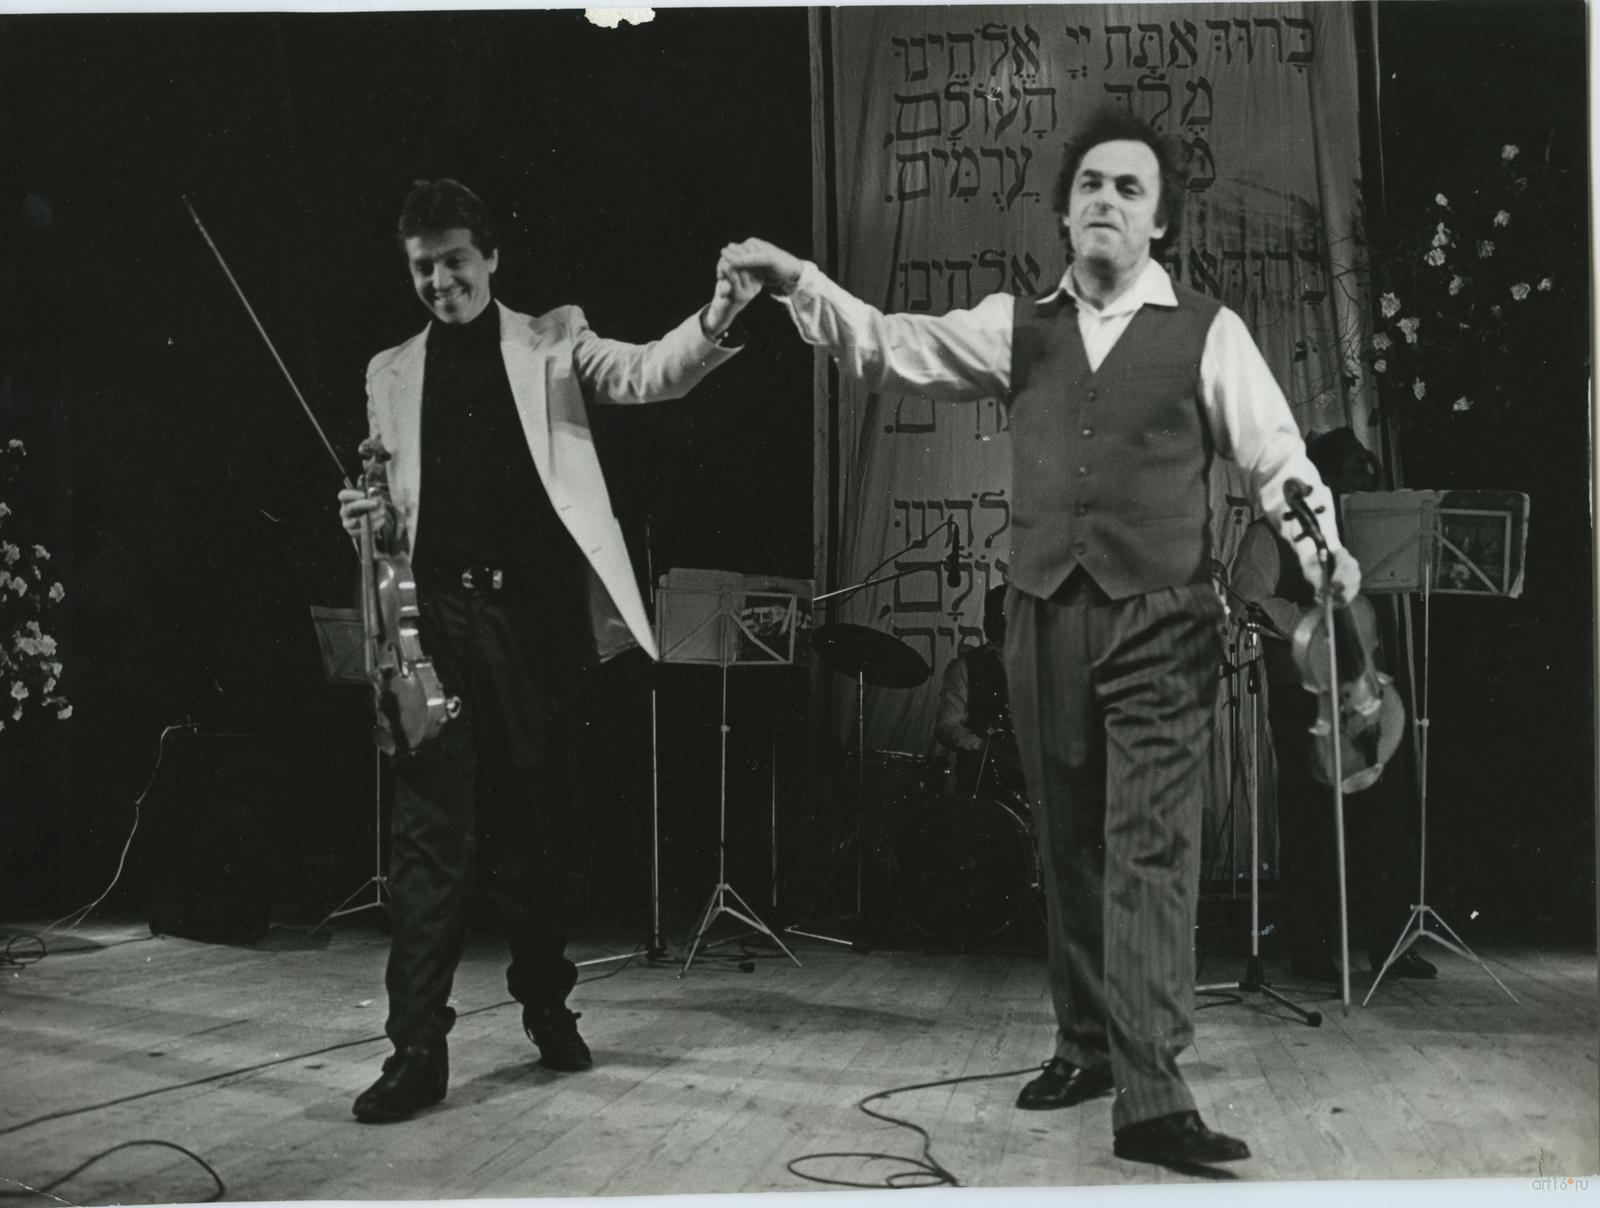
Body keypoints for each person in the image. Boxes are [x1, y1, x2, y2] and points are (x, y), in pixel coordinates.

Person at [719, 108, 1361, 1173]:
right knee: (1067, 844)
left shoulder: (1208, 331)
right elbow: (889, 345)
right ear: (1064, 212)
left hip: (1164, 618)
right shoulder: (1014, 325)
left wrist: (1322, 549)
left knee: (1150, 849)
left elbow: (1277, 459)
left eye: (1130, 188)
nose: (1107, 200)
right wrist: (797, 280)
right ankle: (1088, 1046)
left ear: (1159, 222)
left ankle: (1152, 1092)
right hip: (1042, 612)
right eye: (1091, 185)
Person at [337, 179, 756, 1124]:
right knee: (428, 840)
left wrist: (719, 314)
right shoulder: (388, 371)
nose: (440, 282)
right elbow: (389, 507)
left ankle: (545, 1003)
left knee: (535, 829)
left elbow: (650, 373)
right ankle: (416, 1049)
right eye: (422, 267)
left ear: (490, 256)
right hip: (430, 626)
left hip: (531, 624)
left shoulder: (555, 339)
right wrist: (361, 517)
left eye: (455, 261)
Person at [1230, 426, 1434, 983]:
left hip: (1365, 696)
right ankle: (1311, 946)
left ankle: (1390, 944)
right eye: (1348, 482)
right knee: (1311, 821)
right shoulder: (1269, 534)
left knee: (1384, 821)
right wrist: (1313, 627)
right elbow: (1248, 598)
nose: (1354, 496)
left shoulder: (1362, 537)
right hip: (1305, 698)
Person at [934, 584, 1022, 802]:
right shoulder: (965, 666)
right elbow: (947, 724)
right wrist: (983, 746)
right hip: (982, 786)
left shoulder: (1043, 666)